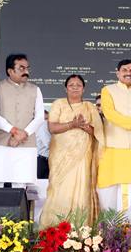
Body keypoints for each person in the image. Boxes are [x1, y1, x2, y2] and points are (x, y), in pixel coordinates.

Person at [40, 74, 104, 228]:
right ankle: (54, 229)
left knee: (81, 190)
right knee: (59, 189)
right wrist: (72, 124)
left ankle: (80, 230)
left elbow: (98, 133)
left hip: (82, 156)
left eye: (78, 85)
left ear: (83, 89)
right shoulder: (58, 104)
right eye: (71, 85)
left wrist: (83, 126)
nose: (75, 87)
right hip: (60, 156)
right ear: (66, 88)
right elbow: (52, 127)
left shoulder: (89, 107)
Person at [96, 59, 131, 222]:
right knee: (107, 191)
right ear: (118, 73)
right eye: (124, 70)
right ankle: (108, 227)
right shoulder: (108, 91)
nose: (128, 73)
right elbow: (109, 113)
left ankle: (127, 226)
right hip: (111, 148)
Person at [0, 54, 44, 188]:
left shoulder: (35, 89)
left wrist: (24, 134)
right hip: (1, 143)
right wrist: (13, 130)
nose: (26, 72)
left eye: (27, 68)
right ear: (10, 71)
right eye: (21, 68)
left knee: (20, 184)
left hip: (26, 144)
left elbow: (40, 117)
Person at [36, 110, 51, 180]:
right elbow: (48, 143)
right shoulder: (43, 124)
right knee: (44, 182)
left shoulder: (44, 124)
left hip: (43, 159)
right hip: (43, 160)